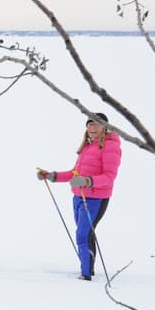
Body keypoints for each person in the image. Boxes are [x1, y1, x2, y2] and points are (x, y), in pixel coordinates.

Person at [36, 112, 122, 281]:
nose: (92, 127)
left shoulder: (111, 146)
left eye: (96, 124)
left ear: (105, 127)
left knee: (83, 235)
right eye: (89, 124)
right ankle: (87, 270)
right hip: (78, 197)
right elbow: (74, 173)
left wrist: (87, 181)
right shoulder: (88, 146)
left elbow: (109, 177)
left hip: (96, 198)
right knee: (85, 234)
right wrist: (51, 176)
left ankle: (86, 274)